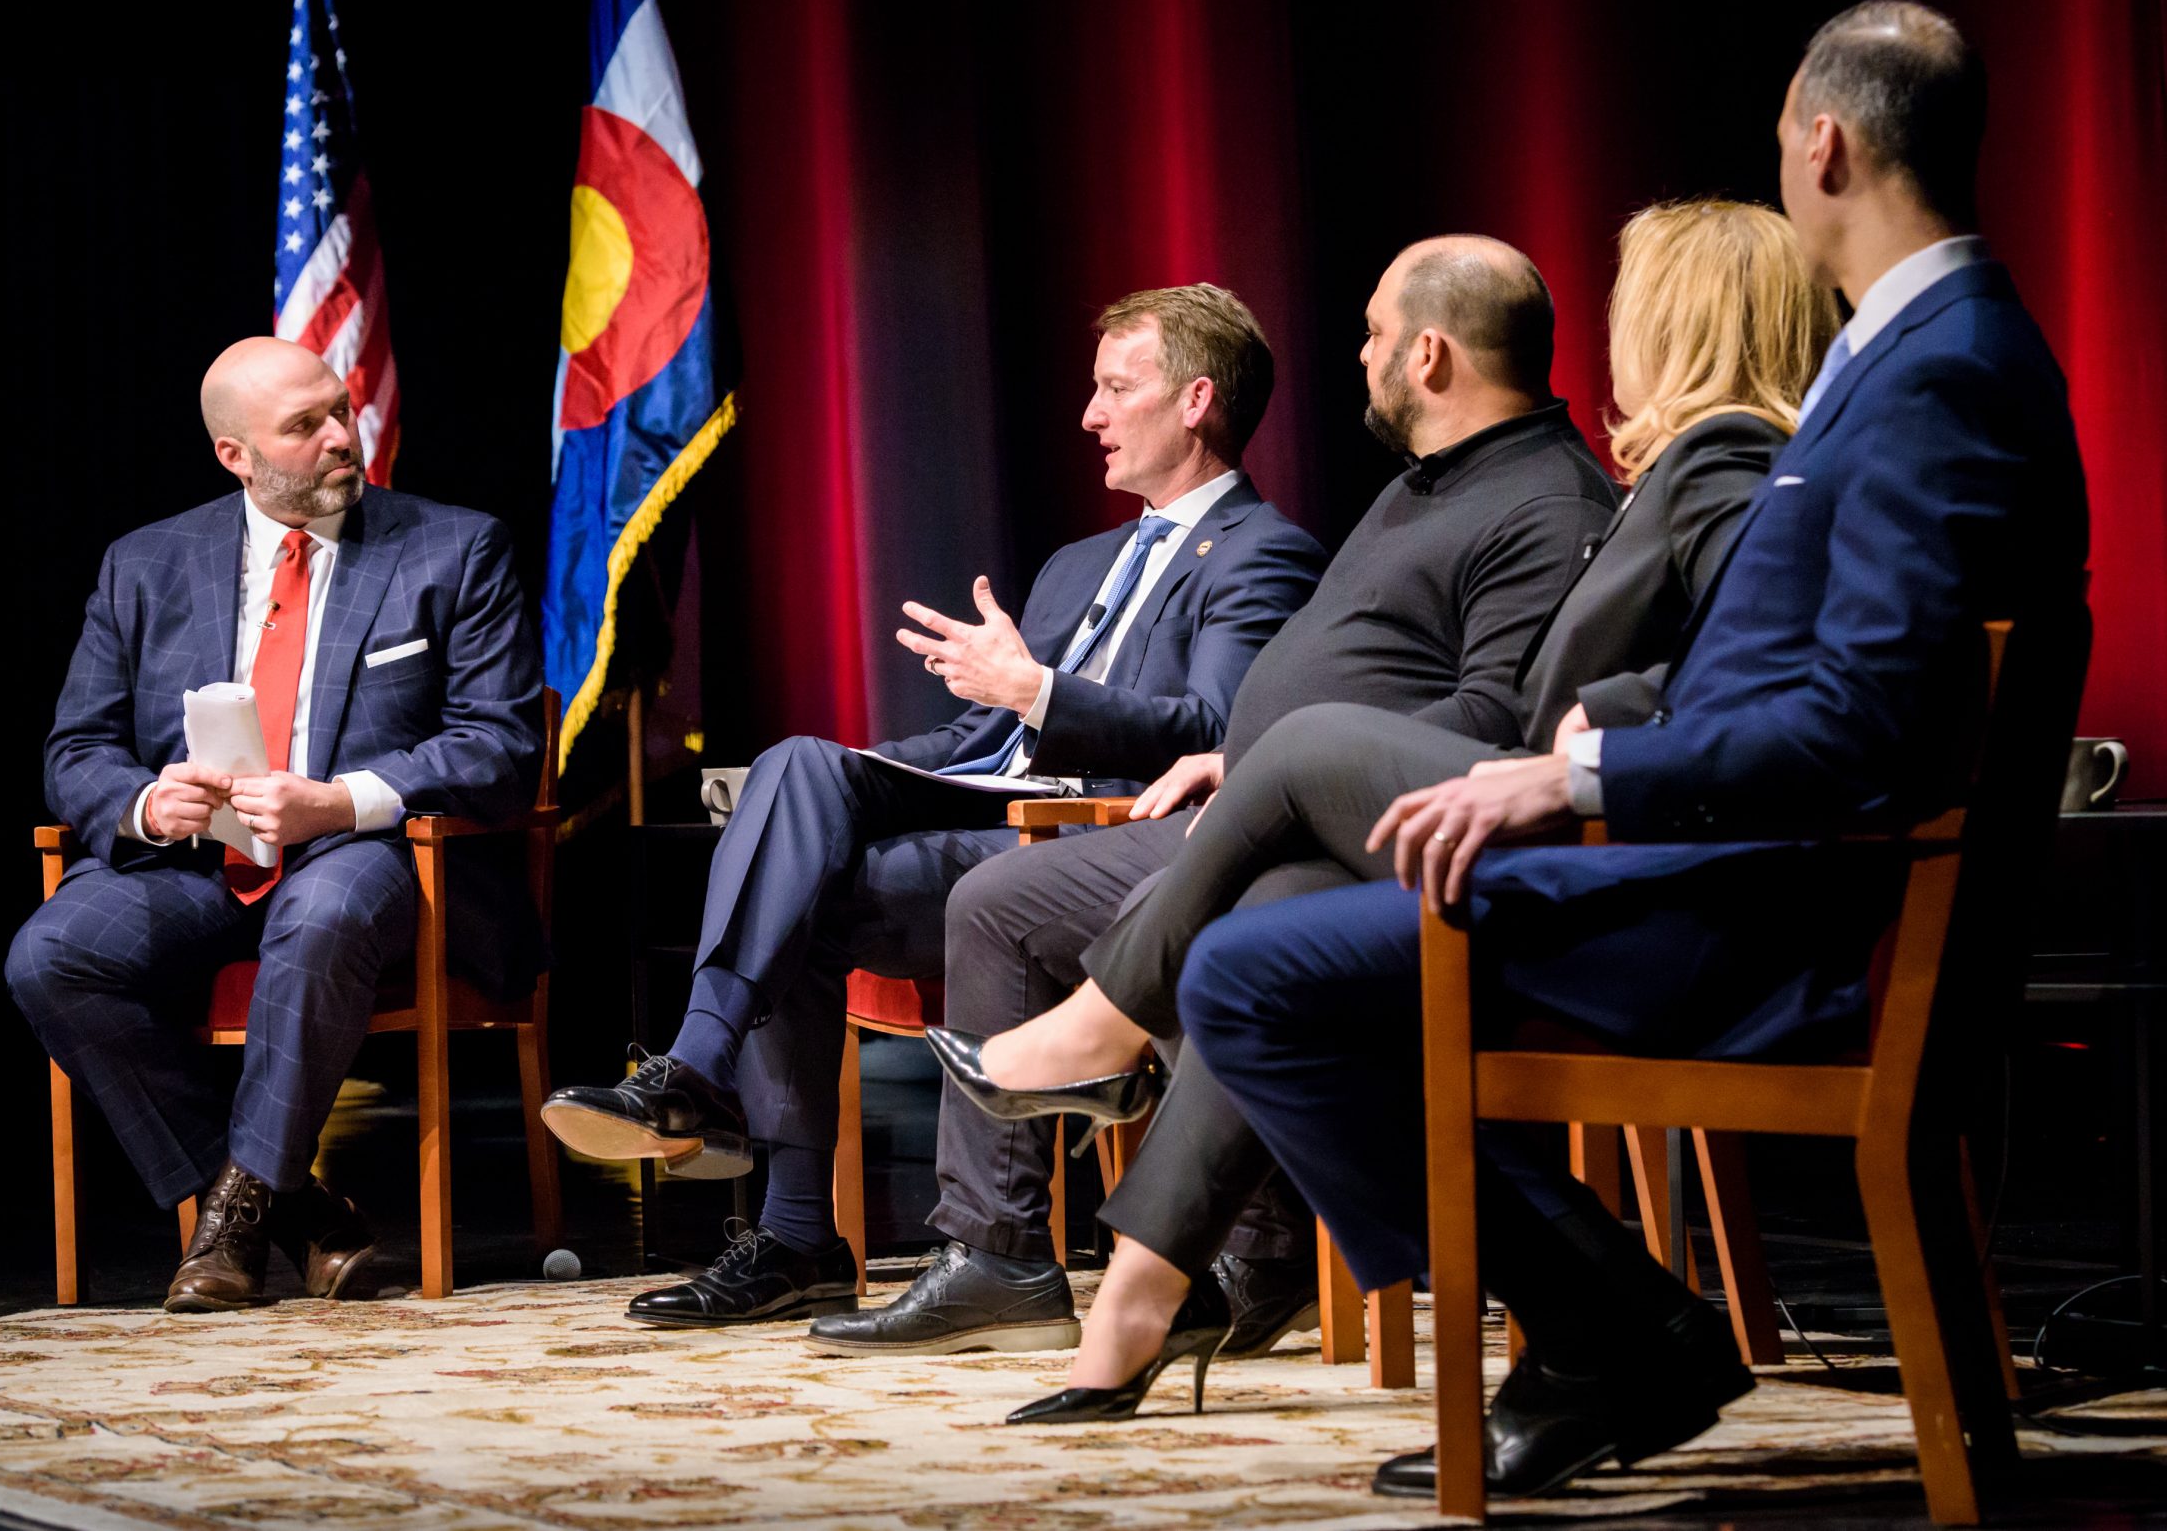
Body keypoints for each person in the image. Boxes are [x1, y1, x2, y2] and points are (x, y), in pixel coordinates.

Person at [1181, 0, 2088, 1497]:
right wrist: (1634, 725)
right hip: (1747, 882)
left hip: (1752, 922)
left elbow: (1871, 723)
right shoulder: (1929, 347)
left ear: (1826, 144)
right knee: (1292, 942)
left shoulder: (1936, 370)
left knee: (1257, 975)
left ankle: (1608, 1327)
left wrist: (1578, 776)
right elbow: (1825, 665)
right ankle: (1610, 1325)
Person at [939, 198, 1829, 1411]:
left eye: (1632, 309)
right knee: (1261, 924)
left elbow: (1756, 669)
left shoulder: (1705, 472)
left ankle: (1107, 1026)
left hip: (1575, 859)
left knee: (1299, 769)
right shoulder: (1654, 474)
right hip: (1488, 833)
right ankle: (1134, 1301)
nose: (1608, 340)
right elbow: (1713, 651)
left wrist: (1610, 726)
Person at [811, 237, 1619, 1356]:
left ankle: (1253, 1243)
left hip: (1367, 835)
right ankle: (994, 1252)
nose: (1361, 353)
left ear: (1430, 354)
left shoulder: (1542, 501)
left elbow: (1494, 726)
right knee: (996, 896)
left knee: (1224, 926)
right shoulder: (1418, 490)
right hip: (1247, 805)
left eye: (1378, 332)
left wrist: (1273, 760)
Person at [540, 286, 1326, 1328]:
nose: (1090, 414)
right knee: (799, 775)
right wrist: (863, 768)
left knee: (801, 877)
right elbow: (988, 744)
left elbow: (1210, 724)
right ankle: (767, 1191)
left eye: (1113, 388)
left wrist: (1034, 690)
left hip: (1100, 850)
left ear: (1194, 400)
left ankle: (740, 1152)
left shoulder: (1260, 552)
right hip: (994, 816)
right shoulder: (1078, 564)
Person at [7, 338, 546, 1314]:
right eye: (306, 425)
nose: (344, 436)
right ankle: (294, 1204)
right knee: (52, 955)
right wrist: (143, 802)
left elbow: (501, 747)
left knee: (323, 913)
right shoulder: (146, 564)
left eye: (341, 409)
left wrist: (339, 799)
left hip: (372, 854)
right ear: (235, 454)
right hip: (194, 867)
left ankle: (237, 1221)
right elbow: (75, 751)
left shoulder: (455, 548)